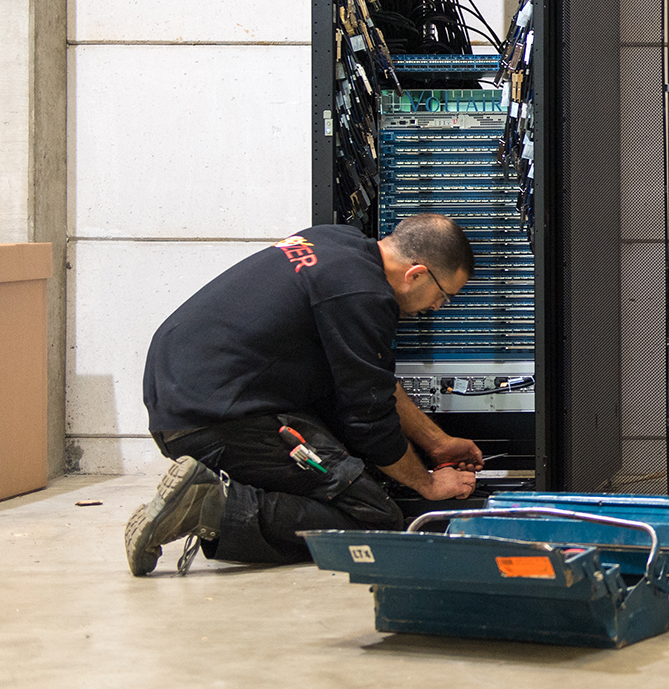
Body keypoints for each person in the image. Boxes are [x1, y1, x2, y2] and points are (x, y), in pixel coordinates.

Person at [124, 213, 486, 576]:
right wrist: (427, 482)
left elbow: (373, 381)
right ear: (416, 274)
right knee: (375, 517)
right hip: (219, 419)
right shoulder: (364, 296)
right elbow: (369, 421)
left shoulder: (336, 242)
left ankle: (214, 498)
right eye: (444, 296)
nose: (437, 308)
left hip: (190, 399)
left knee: (353, 474)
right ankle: (210, 505)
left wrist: (437, 443)